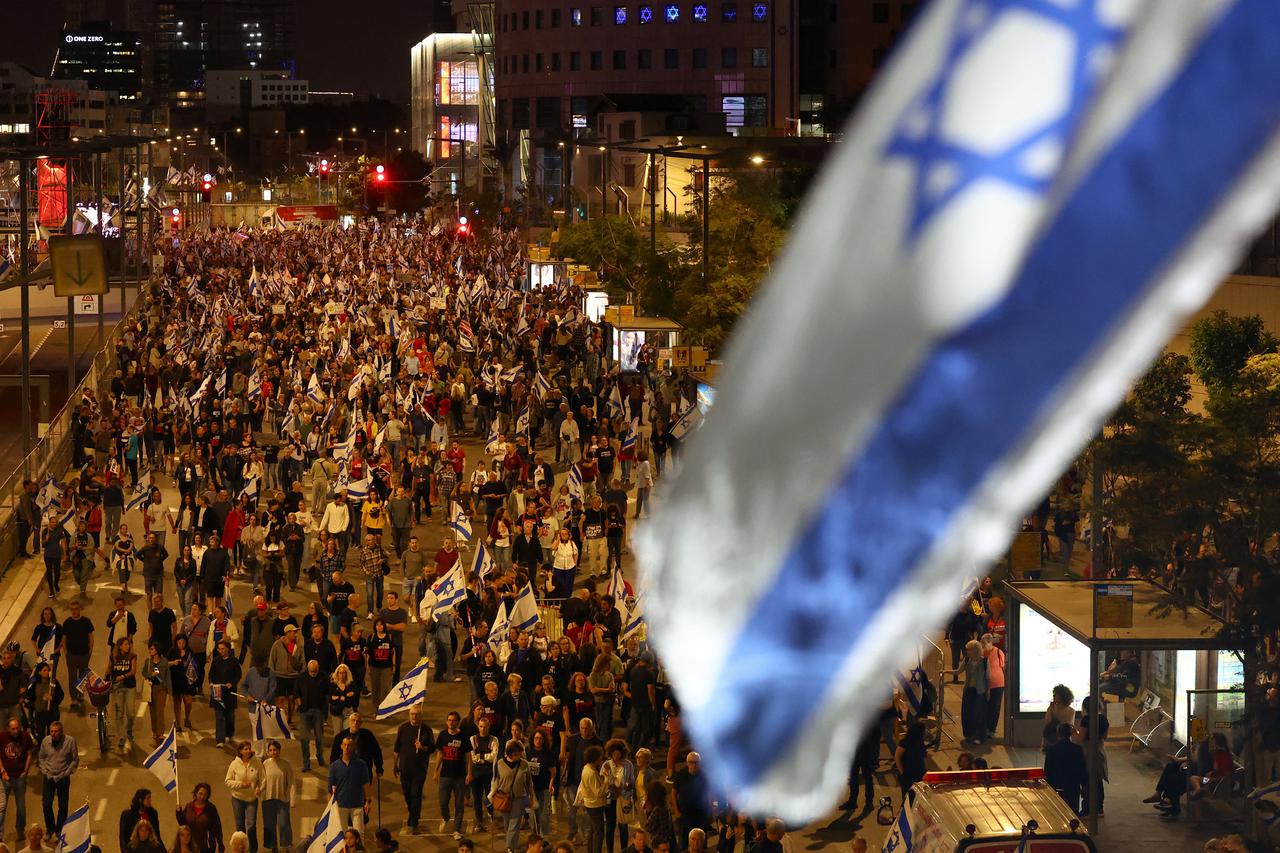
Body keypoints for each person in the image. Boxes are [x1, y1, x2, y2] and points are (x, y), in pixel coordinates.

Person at [490, 739, 538, 853]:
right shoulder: (500, 763)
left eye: (520, 753)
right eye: (517, 754)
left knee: (514, 823)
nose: (519, 756)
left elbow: (529, 783)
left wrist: (531, 797)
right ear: (510, 754)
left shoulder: (524, 764)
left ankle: (510, 847)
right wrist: (492, 795)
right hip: (504, 797)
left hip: (519, 798)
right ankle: (513, 843)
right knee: (507, 824)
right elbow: (495, 780)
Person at [392, 704, 433, 835]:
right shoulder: (403, 728)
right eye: (412, 714)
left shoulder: (426, 730)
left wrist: (422, 748)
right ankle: (413, 814)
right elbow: (397, 749)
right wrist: (395, 765)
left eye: (417, 714)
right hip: (405, 769)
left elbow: (432, 748)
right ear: (409, 715)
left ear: (421, 715)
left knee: (416, 794)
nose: (414, 716)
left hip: (419, 769)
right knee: (407, 795)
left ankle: (414, 822)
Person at [433, 710, 471, 840]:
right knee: (443, 802)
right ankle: (445, 817)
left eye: (454, 720)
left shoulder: (464, 736)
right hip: (445, 776)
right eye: (449, 720)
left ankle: (456, 830)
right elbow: (440, 754)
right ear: (446, 722)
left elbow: (468, 756)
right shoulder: (443, 735)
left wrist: (469, 773)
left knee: (459, 804)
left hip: (460, 776)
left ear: (458, 722)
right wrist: (435, 772)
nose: (451, 722)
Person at [37, 721, 76, 834]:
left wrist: (67, 772)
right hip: (49, 777)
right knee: (46, 804)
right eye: (51, 731)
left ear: (61, 732)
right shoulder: (45, 741)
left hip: (62, 777)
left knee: (63, 806)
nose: (53, 734)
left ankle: (60, 830)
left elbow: (74, 759)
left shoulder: (70, 741)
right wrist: (45, 771)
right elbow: (41, 757)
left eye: (56, 731)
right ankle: (50, 828)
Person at [328, 734, 372, 835]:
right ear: (341, 746)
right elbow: (330, 788)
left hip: (357, 804)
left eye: (349, 745)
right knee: (342, 835)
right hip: (341, 805)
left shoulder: (361, 765)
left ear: (353, 747)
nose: (347, 747)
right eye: (345, 745)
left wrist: (368, 801)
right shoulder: (334, 766)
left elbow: (366, 783)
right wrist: (330, 807)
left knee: (359, 833)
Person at [225, 741, 263, 853]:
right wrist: (240, 784)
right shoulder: (234, 764)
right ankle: (241, 848)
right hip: (238, 798)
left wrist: (259, 788)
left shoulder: (257, 763)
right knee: (240, 826)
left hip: (251, 799)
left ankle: (253, 849)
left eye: (249, 749)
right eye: (245, 749)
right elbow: (228, 781)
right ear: (240, 751)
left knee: (251, 826)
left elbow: (262, 779)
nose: (248, 751)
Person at [0, 717, 35, 840]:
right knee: (2, 807)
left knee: (21, 806)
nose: (15, 731)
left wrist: (25, 771)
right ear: (8, 729)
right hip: (5, 777)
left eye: (17, 728)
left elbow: (30, 753)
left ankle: (20, 829)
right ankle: (0, 835)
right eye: (13, 729)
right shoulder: (2, 737)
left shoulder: (25, 736)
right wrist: (3, 771)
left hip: (19, 777)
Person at [602, 739, 636, 853]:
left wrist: (627, 786)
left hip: (623, 799)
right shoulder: (606, 765)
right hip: (610, 800)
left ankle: (624, 850)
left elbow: (631, 781)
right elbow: (603, 783)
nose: (616, 756)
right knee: (610, 827)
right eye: (614, 753)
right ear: (610, 753)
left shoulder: (628, 765)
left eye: (618, 753)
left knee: (623, 827)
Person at [260, 739, 295, 853]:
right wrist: (259, 790)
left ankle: (286, 844)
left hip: (282, 798)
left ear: (279, 750)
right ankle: (272, 845)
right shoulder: (265, 764)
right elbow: (263, 780)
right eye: (270, 750)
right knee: (269, 824)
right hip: (268, 798)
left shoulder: (285, 764)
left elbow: (291, 782)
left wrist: (291, 798)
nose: (273, 752)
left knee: (284, 823)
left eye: (275, 750)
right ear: (268, 752)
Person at [1044, 723, 1086, 813]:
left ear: (1058, 734)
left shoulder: (1052, 750)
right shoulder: (1077, 749)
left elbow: (1047, 770)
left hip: (1057, 785)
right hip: (1072, 786)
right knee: (1073, 811)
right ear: (1070, 734)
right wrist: (1083, 785)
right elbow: (1082, 769)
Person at [1079, 695, 1109, 816]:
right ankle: (1099, 808)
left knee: (1087, 780)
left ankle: (1087, 809)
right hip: (1100, 751)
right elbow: (1105, 737)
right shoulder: (1104, 719)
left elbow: (1081, 737)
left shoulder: (1086, 720)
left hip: (1088, 752)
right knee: (1098, 780)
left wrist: (1075, 733)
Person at [209, 640, 243, 746]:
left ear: (228, 649)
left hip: (229, 693)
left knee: (230, 716)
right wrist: (211, 683)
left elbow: (238, 675)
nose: (221, 651)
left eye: (223, 648)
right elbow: (211, 675)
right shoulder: (216, 661)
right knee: (219, 716)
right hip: (218, 692)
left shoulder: (234, 661)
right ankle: (220, 739)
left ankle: (229, 734)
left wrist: (232, 683)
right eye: (219, 649)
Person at [297, 659, 329, 772]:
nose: (313, 674)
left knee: (319, 737)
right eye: (311, 671)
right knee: (304, 738)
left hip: (318, 711)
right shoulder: (301, 677)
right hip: (305, 711)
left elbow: (327, 693)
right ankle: (306, 762)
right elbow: (296, 693)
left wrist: (325, 710)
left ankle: (320, 756)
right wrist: (300, 705)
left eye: (315, 671)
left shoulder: (323, 677)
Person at [575, 745, 608, 853]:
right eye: (600, 757)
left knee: (593, 830)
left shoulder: (587, 768)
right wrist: (606, 780)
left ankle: (590, 850)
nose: (601, 759)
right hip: (595, 805)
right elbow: (598, 792)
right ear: (595, 758)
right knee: (599, 832)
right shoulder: (591, 772)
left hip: (590, 804)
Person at [176, 782, 225, 853]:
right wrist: (178, 813)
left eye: (205, 795)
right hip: (191, 844)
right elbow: (183, 824)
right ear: (196, 793)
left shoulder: (211, 808)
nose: (202, 797)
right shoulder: (189, 806)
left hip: (207, 846)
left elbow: (217, 827)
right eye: (200, 793)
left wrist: (220, 843)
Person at [960, 639, 988, 745]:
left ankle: (978, 736)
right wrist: (945, 672)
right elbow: (959, 671)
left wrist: (988, 691)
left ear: (975, 650)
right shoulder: (967, 660)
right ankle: (969, 735)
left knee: (978, 714)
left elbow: (988, 677)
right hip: (969, 690)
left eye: (969, 650)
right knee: (967, 713)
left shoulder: (984, 661)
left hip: (980, 691)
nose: (967, 652)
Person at [894, 721, 927, 802]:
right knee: (908, 798)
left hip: (919, 773)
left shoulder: (920, 741)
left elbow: (923, 756)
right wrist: (902, 772)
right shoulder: (905, 742)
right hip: (908, 774)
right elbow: (897, 757)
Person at [982, 633, 1006, 739]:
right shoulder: (982, 653)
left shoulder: (998, 652)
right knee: (986, 706)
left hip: (998, 683)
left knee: (995, 707)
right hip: (985, 683)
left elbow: (1003, 666)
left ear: (990, 642)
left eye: (984, 643)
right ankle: (985, 727)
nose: (983, 646)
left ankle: (991, 729)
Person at [1042, 684, 1076, 751]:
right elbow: (1047, 722)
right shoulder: (1052, 708)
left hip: (1064, 741)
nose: (1054, 696)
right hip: (1050, 740)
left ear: (1063, 696)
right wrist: (1050, 708)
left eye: (1056, 694)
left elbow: (1067, 726)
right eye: (1054, 694)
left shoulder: (1071, 711)